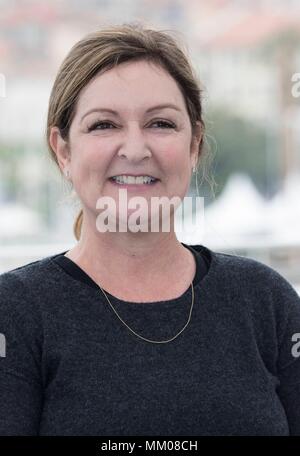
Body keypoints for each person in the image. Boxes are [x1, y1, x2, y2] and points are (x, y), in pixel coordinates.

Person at [0, 23, 300, 437]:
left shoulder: (267, 302)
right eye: (104, 125)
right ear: (63, 150)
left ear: (194, 145)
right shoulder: (15, 313)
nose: (136, 149)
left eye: (161, 123)